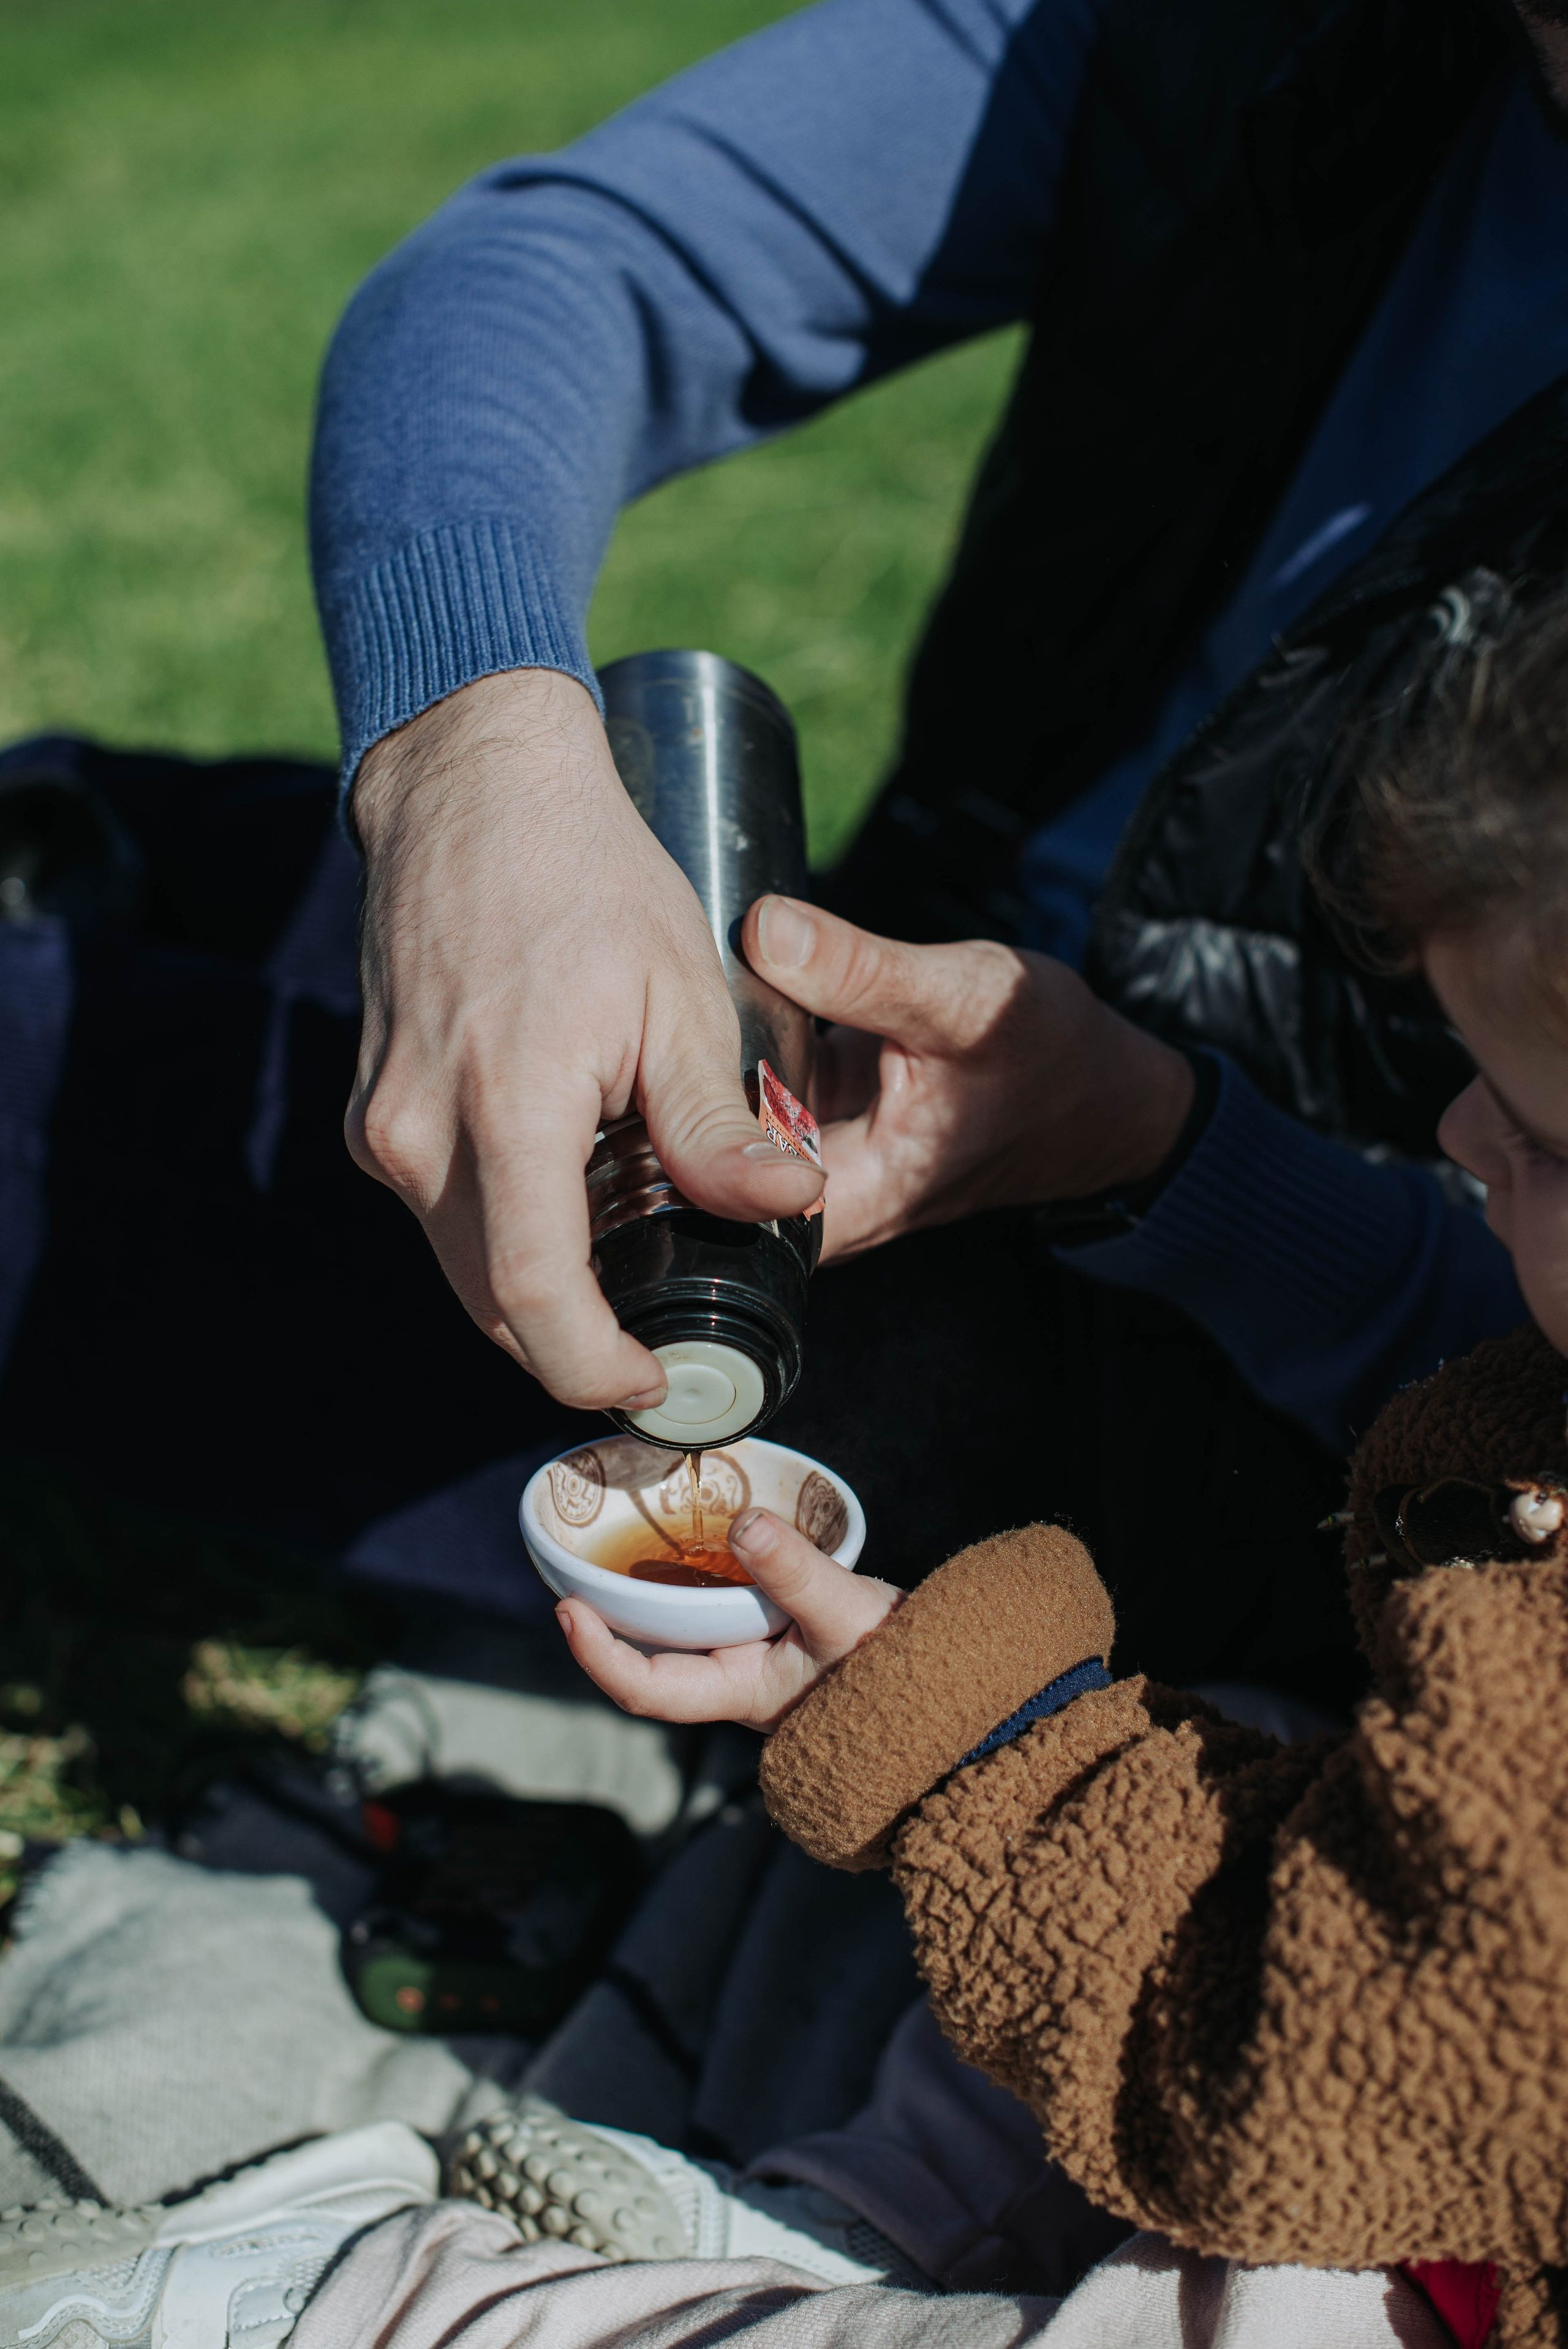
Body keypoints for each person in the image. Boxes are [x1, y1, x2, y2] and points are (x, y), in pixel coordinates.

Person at [306, 0, 1568, 1700]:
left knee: (123, 1147)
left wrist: (1162, 1149)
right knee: (357, 954)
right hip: (898, 993)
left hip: (1230, 1367)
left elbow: (1506, 1420)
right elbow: (560, 265)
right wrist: (466, 753)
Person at [549, 575, 1568, 2349]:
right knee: (1248, 1725)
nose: (1457, 1129)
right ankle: (873, 2202)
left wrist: (964, 1741)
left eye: (1544, 1137)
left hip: (1374, 2191)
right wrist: (1139, 1131)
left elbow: (1288, 2066)